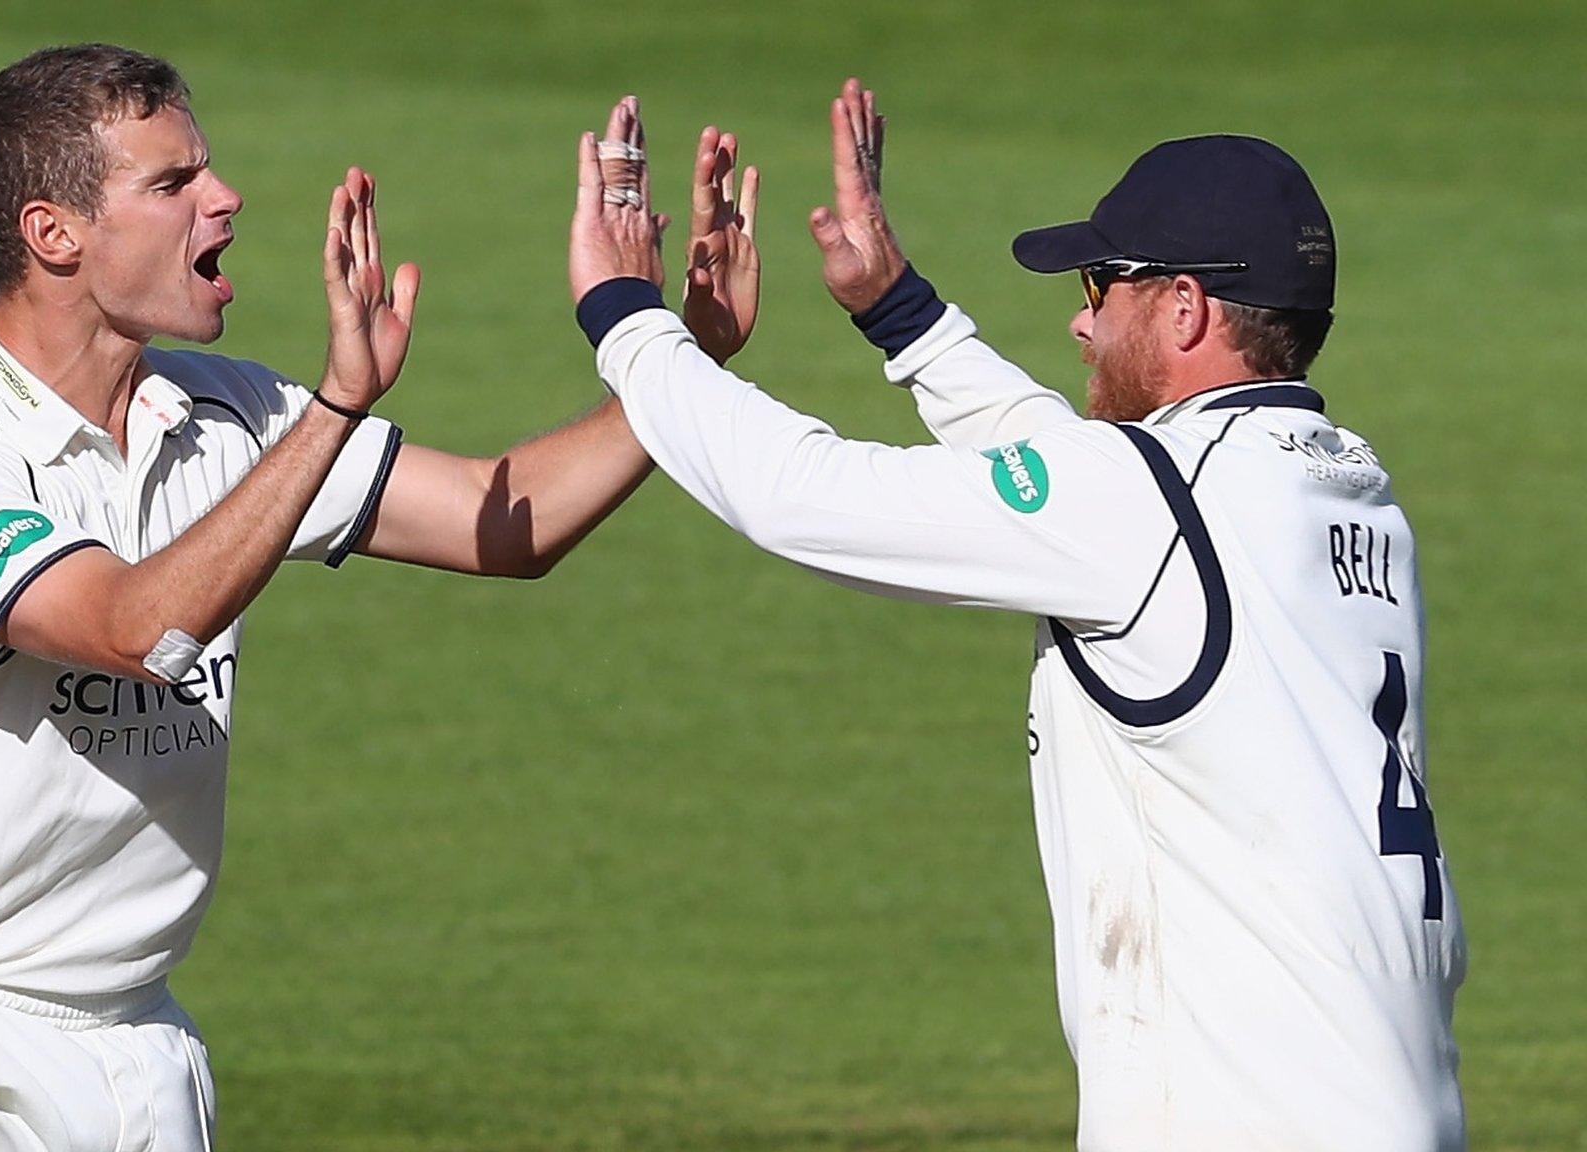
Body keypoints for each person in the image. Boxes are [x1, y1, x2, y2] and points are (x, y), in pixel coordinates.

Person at [0, 44, 669, 1151]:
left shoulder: (226, 412)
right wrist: (332, 409)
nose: (225, 196)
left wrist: (668, 363)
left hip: (138, 1049)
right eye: (171, 184)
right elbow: (129, 629)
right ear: (55, 234)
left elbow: (507, 521)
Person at [569, 81, 1466, 1151]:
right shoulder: (1344, 497)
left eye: (1102, 283)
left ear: (1182, 307)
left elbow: (797, 494)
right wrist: (900, 314)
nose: (1079, 316)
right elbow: (1077, 486)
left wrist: (627, 318)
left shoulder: (1147, 508)